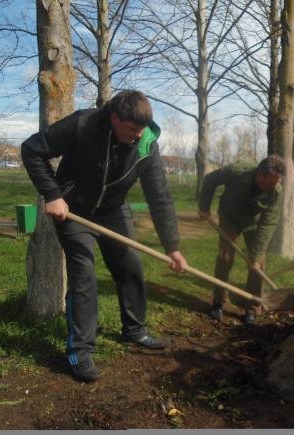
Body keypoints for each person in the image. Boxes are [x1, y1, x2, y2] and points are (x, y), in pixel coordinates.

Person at [21, 90, 188, 383]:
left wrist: (172, 247)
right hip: (74, 210)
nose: (136, 136)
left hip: (113, 210)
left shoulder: (146, 144)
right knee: (84, 274)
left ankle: (134, 330)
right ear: (114, 119)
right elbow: (32, 149)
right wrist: (53, 194)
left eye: (141, 130)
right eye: (131, 129)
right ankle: (80, 352)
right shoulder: (83, 124)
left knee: (130, 266)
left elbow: (159, 197)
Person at [198, 155, 285, 325]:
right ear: (260, 174)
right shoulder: (237, 171)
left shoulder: (276, 191)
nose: (274, 185)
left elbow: (269, 222)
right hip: (229, 217)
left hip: (253, 222)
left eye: (277, 181)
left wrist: (257, 254)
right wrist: (204, 207)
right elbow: (210, 180)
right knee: (225, 257)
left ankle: (252, 307)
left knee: (258, 264)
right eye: (271, 181)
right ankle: (219, 301)